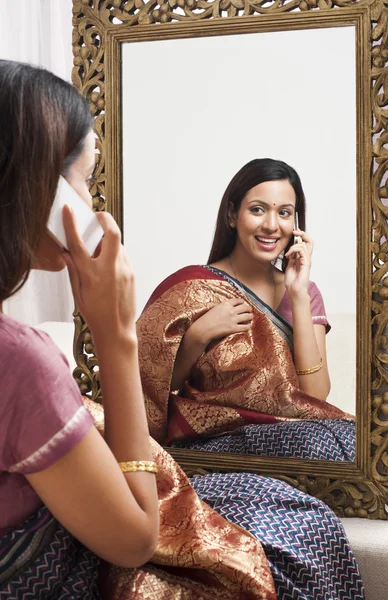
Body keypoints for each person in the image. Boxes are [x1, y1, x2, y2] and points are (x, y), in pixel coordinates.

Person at [0, 60, 276, 599]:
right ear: (43, 188)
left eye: (285, 212)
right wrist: (116, 334)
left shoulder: (295, 292)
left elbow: (312, 391)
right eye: (84, 179)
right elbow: (133, 539)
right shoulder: (21, 361)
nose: (272, 224)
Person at [137, 158, 355, 461]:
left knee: (357, 440)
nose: (271, 224)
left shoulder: (304, 293)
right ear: (232, 214)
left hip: (293, 435)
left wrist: (298, 295)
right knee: (314, 444)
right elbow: (151, 389)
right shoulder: (192, 289)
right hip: (214, 441)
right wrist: (197, 336)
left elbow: (315, 397)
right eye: (257, 209)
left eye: (284, 213)